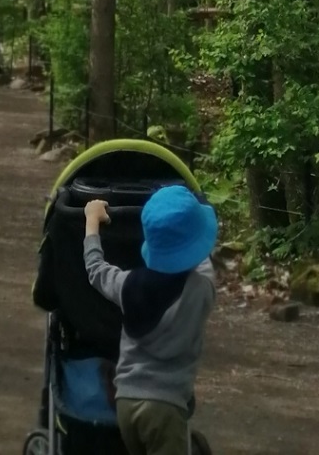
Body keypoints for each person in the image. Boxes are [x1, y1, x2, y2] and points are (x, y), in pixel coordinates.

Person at [82, 183, 219, 455]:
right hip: (166, 408)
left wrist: (92, 221)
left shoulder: (127, 284)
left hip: (126, 402)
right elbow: (203, 258)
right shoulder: (202, 290)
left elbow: (96, 270)